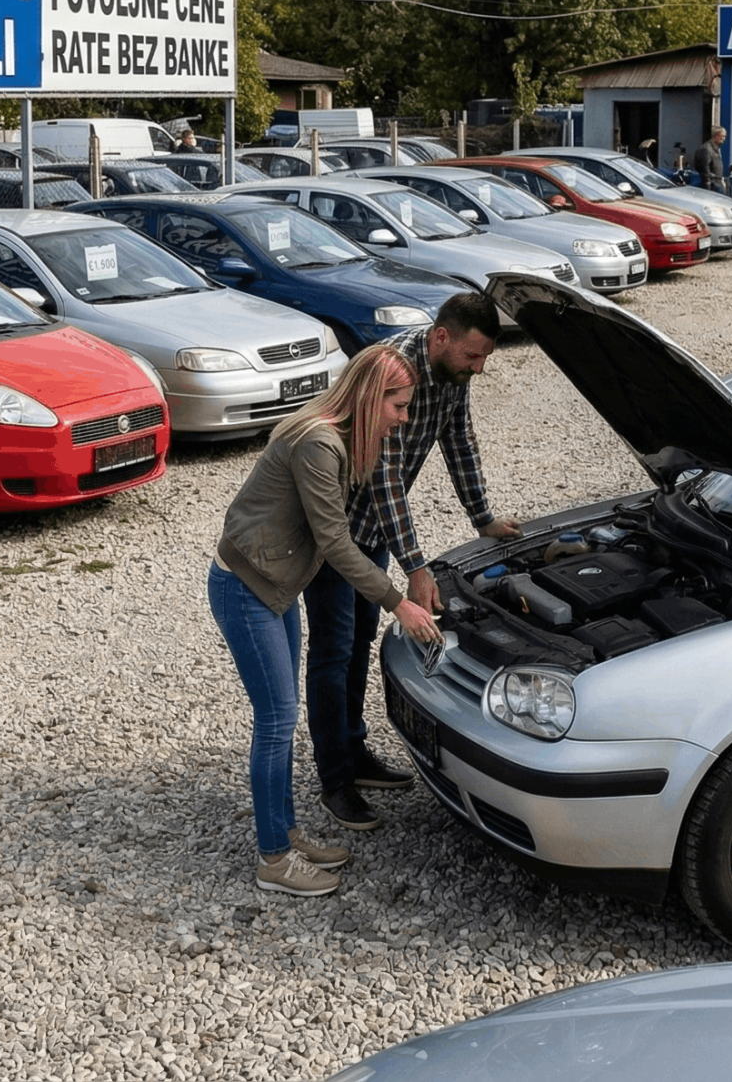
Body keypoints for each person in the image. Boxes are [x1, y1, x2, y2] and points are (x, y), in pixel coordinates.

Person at [212, 344, 439, 896]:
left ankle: (286, 833)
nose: (404, 419)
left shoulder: (339, 434)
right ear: (370, 397)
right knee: (276, 721)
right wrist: (398, 601)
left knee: (282, 716)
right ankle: (273, 859)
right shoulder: (318, 441)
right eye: (399, 406)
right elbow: (335, 541)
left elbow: (379, 500)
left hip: (275, 587)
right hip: (245, 588)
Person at [306, 292, 518, 830]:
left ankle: (354, 751)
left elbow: (459, 441)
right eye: (472, 356)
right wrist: (415, 568)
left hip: (374, 531)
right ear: (441, 336)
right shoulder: (393, 371)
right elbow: (386, 479)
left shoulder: (452, 375)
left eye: (484, 358)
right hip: (335, 535)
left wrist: (483, 518)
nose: (478, 368)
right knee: (332, 651)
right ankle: (335, 780)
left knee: (359, 641)